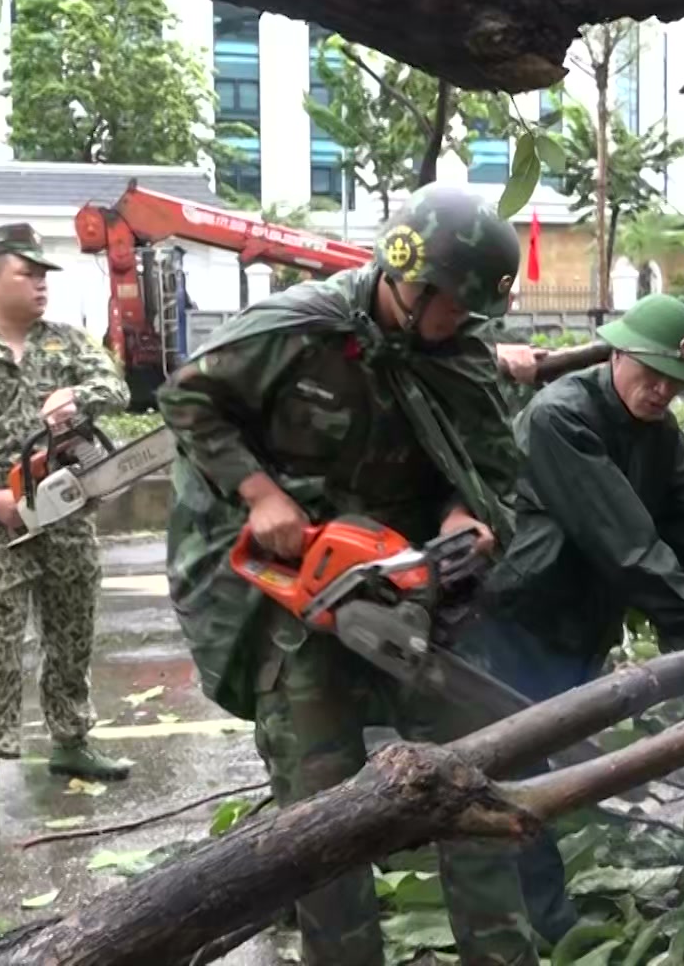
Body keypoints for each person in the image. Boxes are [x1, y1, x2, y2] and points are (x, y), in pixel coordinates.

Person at [159, 182, 540, 966]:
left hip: (415, 590)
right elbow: (188, 397)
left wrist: (466, 522)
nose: (462, 325)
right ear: (412, 279)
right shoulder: (300, 330)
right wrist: (259, 494)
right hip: (307, 597)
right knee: (324, 817)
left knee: (474, 780)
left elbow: (496, 471)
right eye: (453, 306)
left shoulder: (458, 353)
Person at [457, 292, 684, 934]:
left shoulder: (659, 435)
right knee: (511, 775)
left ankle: (526, 910)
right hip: (517, 620)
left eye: (676, 384)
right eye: (651, 374)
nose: (660, 392)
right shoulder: (560, 417)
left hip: (582, 625)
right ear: (619, 352)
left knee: (549, 764)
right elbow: (628, 547)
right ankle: (545, 930)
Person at [0, 223, 135, 827]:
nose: (39, 283)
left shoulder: (69, 344)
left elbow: (117, 386)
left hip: (67, 514)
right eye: (27, 272)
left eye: (43, 275)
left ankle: (70, 742)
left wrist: (78, 402)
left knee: (72, 632)